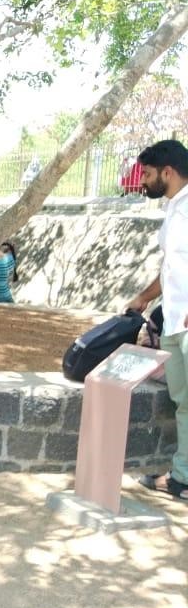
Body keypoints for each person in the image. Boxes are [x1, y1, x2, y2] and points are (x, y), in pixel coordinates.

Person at [129, 140, 188, 501]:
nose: (143, 182)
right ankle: (182, 477)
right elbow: (172, 269)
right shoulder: (174, 209)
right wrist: (143, 299)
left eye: (148, 174)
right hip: (176, 324)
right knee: (184, 403)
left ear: (167, 172)